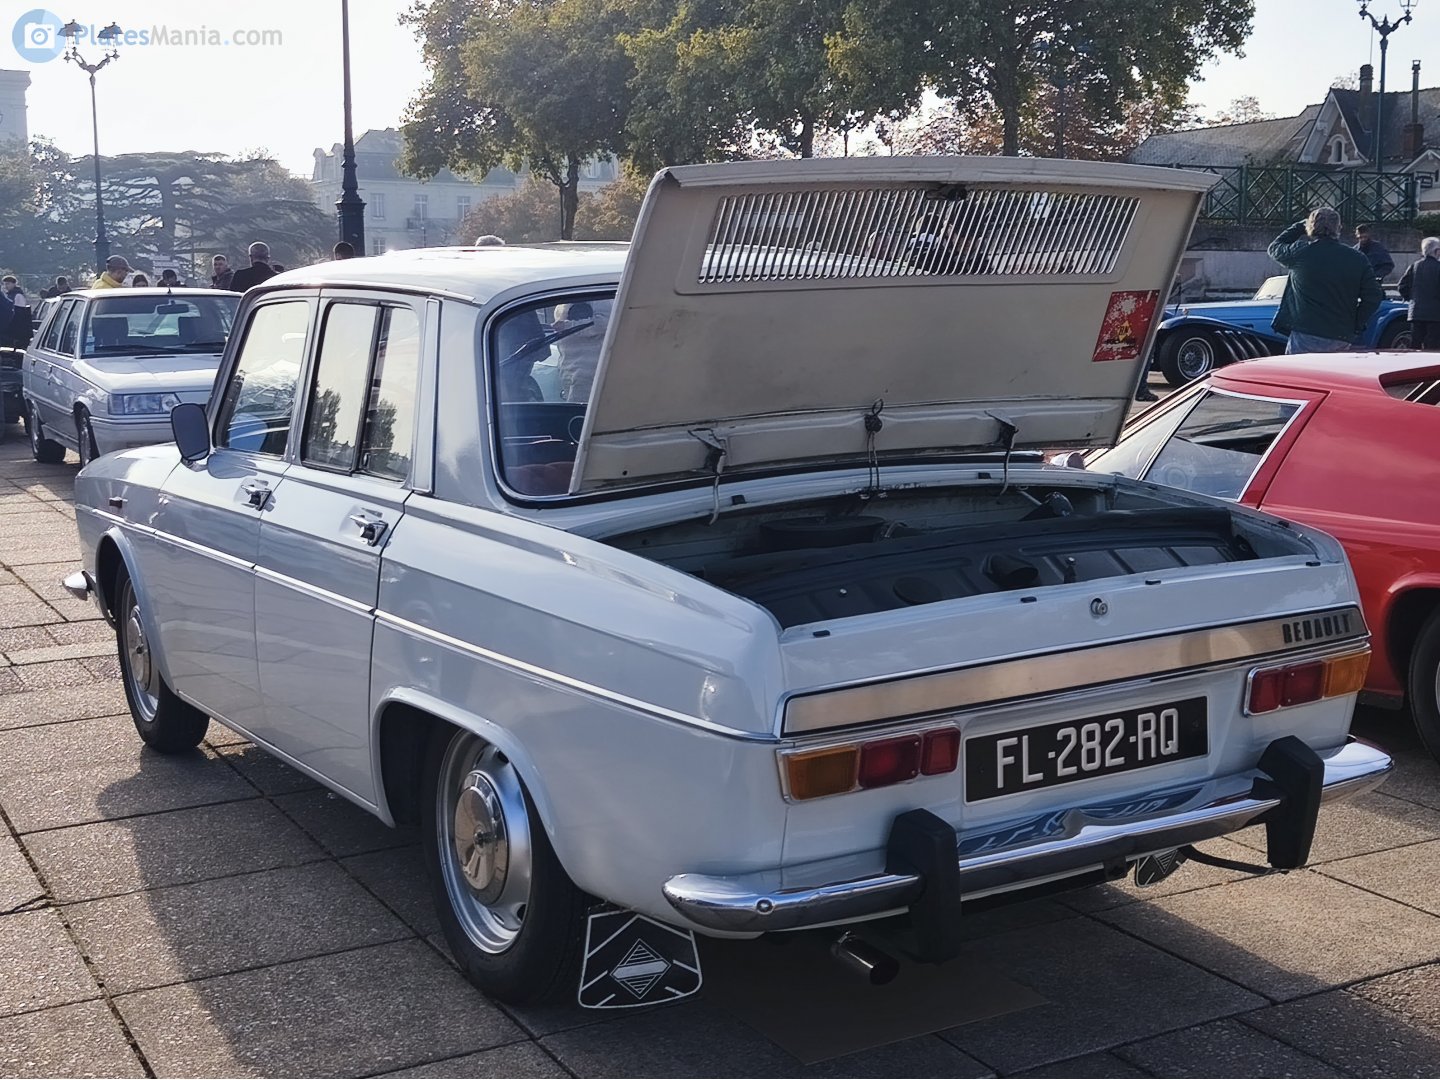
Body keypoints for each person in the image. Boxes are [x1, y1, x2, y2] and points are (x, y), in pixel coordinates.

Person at [1267, 207, 1383, 353]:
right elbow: (1373, 297)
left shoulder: (1300, 253)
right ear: (1338, 228)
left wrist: (1299, 227)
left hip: (1305, 332)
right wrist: (1356, 323)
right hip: (1341, 334)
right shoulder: (1357, 258)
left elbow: (1274, 247)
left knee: (1300, 374)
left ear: (1311, 227)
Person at [1397, 236, 1440, 350]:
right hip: (1435, 315)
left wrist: (1412, 298)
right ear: (1436, 251)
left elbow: (1402, 286)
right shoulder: (1438, 267)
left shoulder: (1414, 266)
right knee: (1432, 347)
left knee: (1415, 345)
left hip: (1416, 313)